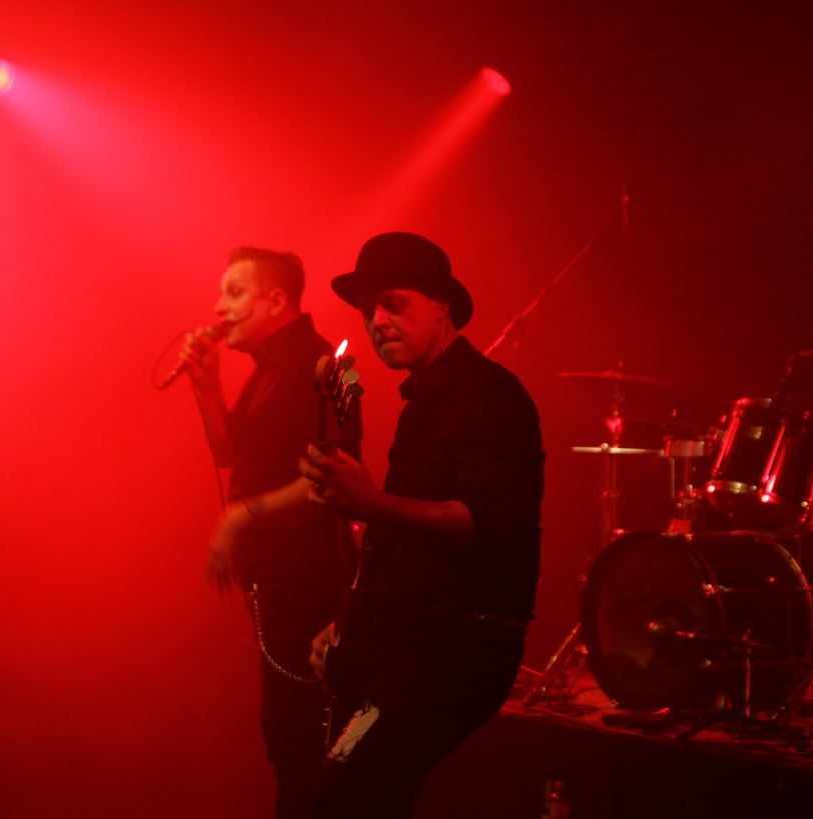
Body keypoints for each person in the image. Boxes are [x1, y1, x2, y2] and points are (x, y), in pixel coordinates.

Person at [300, 231, 545, 819]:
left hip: (448, 653)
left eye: (394, 303)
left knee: (346, 786)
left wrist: (371, 502)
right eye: (368, 311)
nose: (377, 321)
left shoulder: (490, 396)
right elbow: (400, 547)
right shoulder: (424, 404)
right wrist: (348, 624)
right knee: (347, 781)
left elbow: (484, 524)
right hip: (401, 652)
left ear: (442, 306)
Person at [177, 247, 360, 819]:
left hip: (312, 579)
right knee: (287, 737)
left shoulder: (330, 363)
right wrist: (207, 385)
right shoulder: (267, 370)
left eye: (235, 293)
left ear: (277, 301)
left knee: (312, 737)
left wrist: (243, 516)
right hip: (275, 580)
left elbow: (338, 476)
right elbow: (233, 453)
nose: (219, 307)